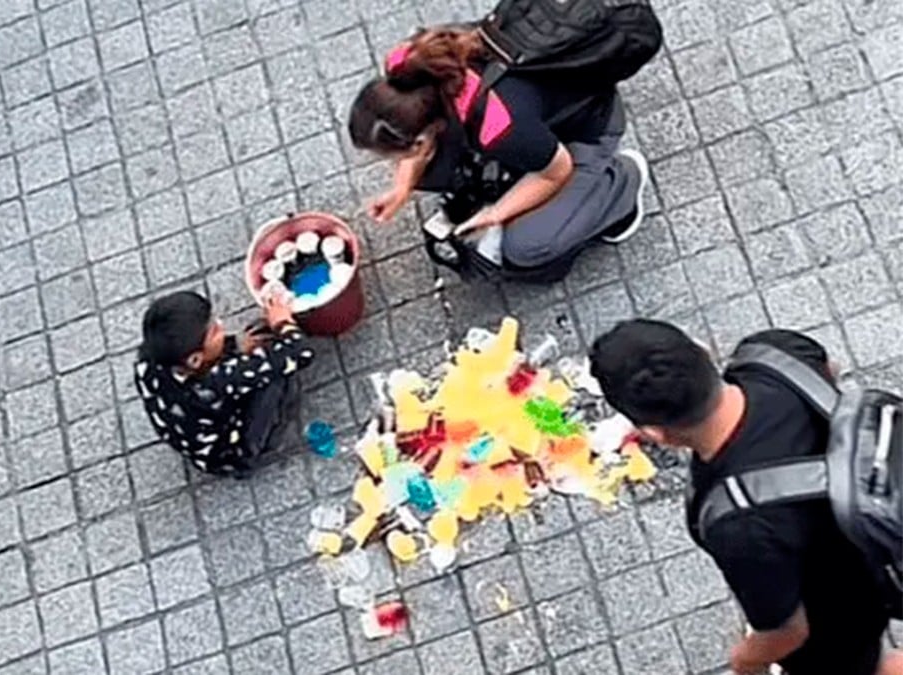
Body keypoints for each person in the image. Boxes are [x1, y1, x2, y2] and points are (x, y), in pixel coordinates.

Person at [588, 319, 902, 675]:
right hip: (874, 532)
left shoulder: (738, 524)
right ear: (703, 350)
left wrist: (746, 661)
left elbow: (787, 632)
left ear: (655, 434)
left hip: (840, 613)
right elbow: (829, 371)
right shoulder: (774, 352)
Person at [348, 27, 650, 282]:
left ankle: (621, 184)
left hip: (586, 128)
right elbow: (418, 143)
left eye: (394, 157)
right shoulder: (406, 65)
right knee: (437, 172)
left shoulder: (499, 128)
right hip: (537, 116)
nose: (395, 165)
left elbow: (556, 171)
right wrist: (402, 187)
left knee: (526, 247)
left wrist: (495, 214)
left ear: (421, 139)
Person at [134, 290, 315, 476]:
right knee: (274, 377)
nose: (221, 325)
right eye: (214, 332)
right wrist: (282, 321)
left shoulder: (147, 363)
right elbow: (302, 351)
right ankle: (257, 451)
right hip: (230, 452)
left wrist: (234, 344)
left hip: (194, 432)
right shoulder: (215, 384)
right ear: (195, 360)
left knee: (257, 339)